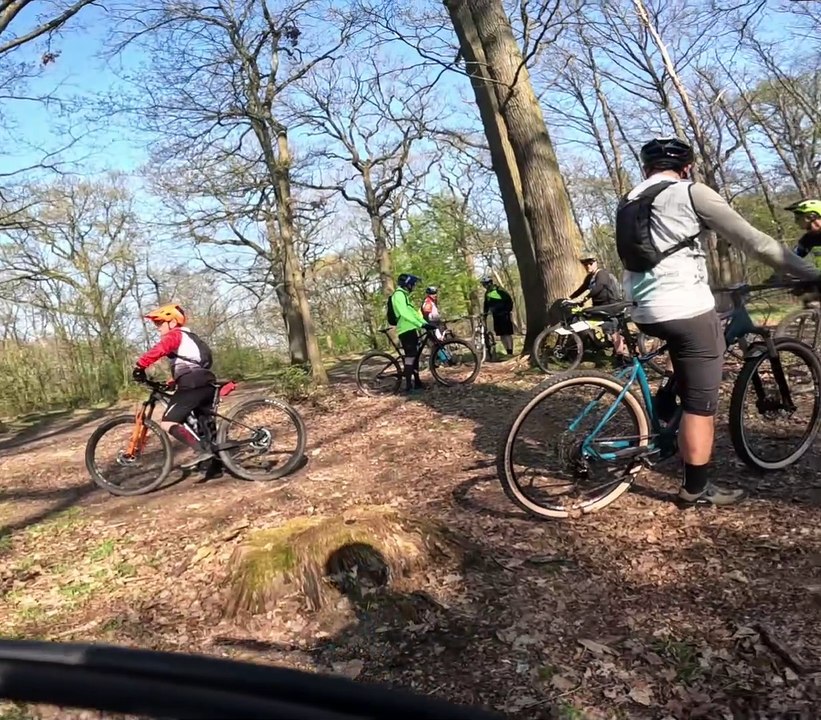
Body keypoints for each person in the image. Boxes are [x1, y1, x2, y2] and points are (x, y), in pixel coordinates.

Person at [617, 136, 820, 507]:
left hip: (642, 307)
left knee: (693, 346)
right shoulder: (691, 192)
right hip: (681, 307)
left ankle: (664, 406)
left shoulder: (630, 198)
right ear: (687, 167)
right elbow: (755, 243)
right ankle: (696, 489)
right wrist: (810, 273)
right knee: (701, 403)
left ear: (645, 169)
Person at [132, 304, 221, 476]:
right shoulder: (190, 337)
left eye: (160, 323)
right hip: (204, 381)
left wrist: (140, 366)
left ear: (172, 322)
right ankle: (215, 467)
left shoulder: (175, 335)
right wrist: (174, 380)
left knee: (168, 423)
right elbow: (198, 362)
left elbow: (160, 350)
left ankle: (200, 451)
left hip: (193, 384)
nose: (158, 328)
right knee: (203, 426)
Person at [569, 254, 629, 364]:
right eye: (585, 264)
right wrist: (569, 299)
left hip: (610, 306)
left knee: (612, 329)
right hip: (600, 307)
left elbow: (598, 288)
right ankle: (603, 344)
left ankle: (622, 357)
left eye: (590, 263)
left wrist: (583, 298)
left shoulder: (602, 274)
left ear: (596, 263)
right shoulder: (589, 278)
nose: (588, 266)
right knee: (593, 320)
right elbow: (582, 289)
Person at [388, 274, 436, 392]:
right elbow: (404, 313)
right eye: (412, 284)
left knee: (414, 357)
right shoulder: (398, 295)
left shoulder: (404, 296)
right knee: (410, 358)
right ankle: (408, 387)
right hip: (405, 330)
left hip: (411, 329)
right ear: (407, 284)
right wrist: (421, 324)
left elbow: (413, 313)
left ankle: (417, 383)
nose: (413, 286)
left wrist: (425, 323)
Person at [481, 277, 514, 356]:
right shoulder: (487, 293)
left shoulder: (499, 290)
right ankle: (507, 352)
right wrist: (484, 315)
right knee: (501, 335)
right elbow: (486, 305)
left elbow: (509, 300)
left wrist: (507, 310)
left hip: (504, 315)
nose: (484, 286)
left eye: (485, 284)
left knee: (507, 334)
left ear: (489, 283)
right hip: (496, 316)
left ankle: (510, 352)